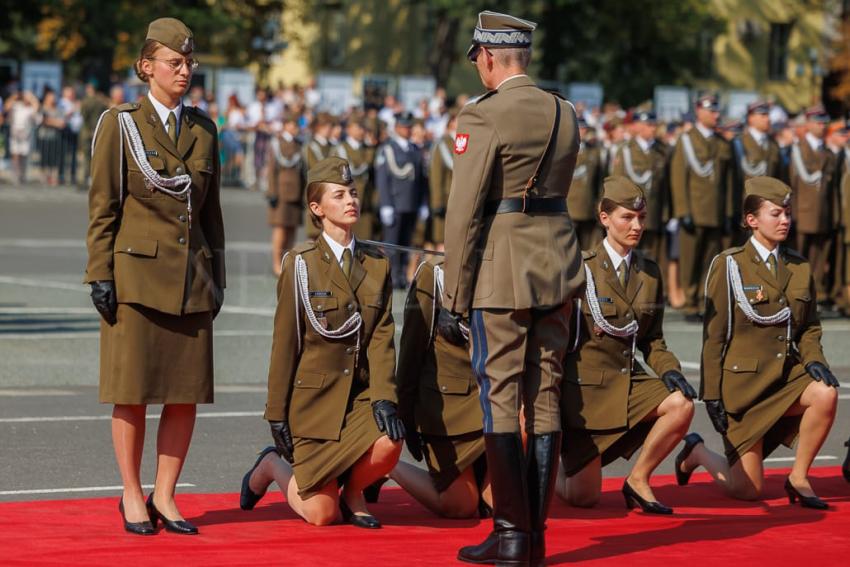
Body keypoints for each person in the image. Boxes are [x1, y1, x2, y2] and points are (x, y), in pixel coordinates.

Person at [442, 11, 584, 566]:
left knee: (499, 397)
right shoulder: (565, 112)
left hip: (502, 271)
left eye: (477, 58)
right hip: (558, 263)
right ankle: (537, 536)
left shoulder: (481, 117)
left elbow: (464, 216)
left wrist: (455, 293)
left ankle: (511, 536)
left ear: (492, 57)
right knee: (544, 398)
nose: (477, 66)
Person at [84, 17, 225, 536]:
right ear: (147, 67)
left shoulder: (203, 130)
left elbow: (212, 215)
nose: (184, 70)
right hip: (136, 279)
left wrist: (219, 278)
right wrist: (100, 274)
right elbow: (103, 208)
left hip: (192, 279)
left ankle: (165, 494)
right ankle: (130, 493)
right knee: (132, 392)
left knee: (185, 392)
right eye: (175, 62)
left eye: (189, 63)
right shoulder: (120, 124)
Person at [240, 157, 403, 528]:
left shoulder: (377, 264)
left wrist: (384, 397)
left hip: (358, 398)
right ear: (316, 208)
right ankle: (270, 465)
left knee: (391, 442)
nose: (351, 200)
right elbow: (285, 345)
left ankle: (354, 492)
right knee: (320, 514)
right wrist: (276, 413)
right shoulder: (301, 264)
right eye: (340, 194)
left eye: (354, 193)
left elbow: (381, 336)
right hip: (314, 404)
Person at [677, 176, 839, 508]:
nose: (784, 221)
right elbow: (714, 337)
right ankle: (697, 452)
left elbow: (808, 327)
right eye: (775, 213)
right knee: (746, 490)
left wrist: (814, 360)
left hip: (784, 380)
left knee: (825, 393)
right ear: (752, 220)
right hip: (744, 390)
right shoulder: (729, 265)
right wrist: (711, 396)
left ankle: (799, 477)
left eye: (788, 213)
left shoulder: (799, 265)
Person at [555, 177, 696, 514]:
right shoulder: (579, 268)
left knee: (681, 405)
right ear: (604, 218)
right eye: (626, 217)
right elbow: (555, 338)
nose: (636, 226)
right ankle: (543, 470)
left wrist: (670, 370)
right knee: (583, 497)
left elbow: (652, 339)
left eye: (642, 218)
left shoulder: (649, 272)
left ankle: (638, 479)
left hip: (627, 383)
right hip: (585, 394)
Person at [391, 257, 491, 518]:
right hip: (450, 410)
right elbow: (411, 351)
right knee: (461, 506)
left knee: (499, 506)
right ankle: (388, 467)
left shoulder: (510, 267)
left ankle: (489, 486)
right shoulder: (434, 274)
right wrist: (406, 417)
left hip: (493, 403)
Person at [670, 93, 733, 321]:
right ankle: (690, 304)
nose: (716, 115)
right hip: (694, 212)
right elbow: (678, 177)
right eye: (712, 110)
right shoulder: (686, 140)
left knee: (710, 261)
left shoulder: (721, 143)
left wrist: (727, 213)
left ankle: (704, 301)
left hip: (715, 212)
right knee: (690, 261)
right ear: (699, 111)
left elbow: (727, 183)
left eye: (717, 111)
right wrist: (682, 211)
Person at [788, 105, 838, 307]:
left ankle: (814, 297)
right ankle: (797, 296)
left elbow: (833, 189)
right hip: (803, 213)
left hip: (824, 214)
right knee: (799, 257)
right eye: (817, 121)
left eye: (824, 121)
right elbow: (791, 183)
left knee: (819, 258)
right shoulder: (798, 150)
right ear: (807, 124)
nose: (822, 125)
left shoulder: (828, 153)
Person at [375, 111, 429, 289]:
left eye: (409, 126)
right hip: (395, 204)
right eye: (404, 126)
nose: (407, 129)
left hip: (411, 204)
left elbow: (421, 179)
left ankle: (402, 276)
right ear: (397, 128)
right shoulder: (387, 149)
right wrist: (386, 205)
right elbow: (383, 179)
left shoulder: (414, 149)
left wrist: (422, 202)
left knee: (406, 244)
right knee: (392, 245)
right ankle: (391, 277)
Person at [612, 111, 670, 268]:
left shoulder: (662, 151)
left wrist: (667, 214)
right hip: (632, 216)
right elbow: (617, 185)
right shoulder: (625, 150)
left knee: (652, 259)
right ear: (637, 126)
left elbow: (666, 187)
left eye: (653, 125)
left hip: (654, 214)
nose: (652, 129)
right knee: (629, 258)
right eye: (648, 125)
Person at [266, 113, 304, 275]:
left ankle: (286, 262)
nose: (295, 129)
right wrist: (272, 192)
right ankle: (276, 264)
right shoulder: (277, 144)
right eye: (292, 125)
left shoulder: (300, 145)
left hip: (296, 192)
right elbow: (271, 170)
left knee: (292, 230)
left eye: (297, 125)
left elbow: (303, 171)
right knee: (280, 230)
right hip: (281, 192)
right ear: (286, 126)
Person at [333, 113, 377, 241]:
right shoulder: (341, 149)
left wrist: (370, 147)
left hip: (365, 203)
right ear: (348, 129)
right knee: (344, 241)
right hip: (347, 203)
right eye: (358, 127)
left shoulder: (367, 148)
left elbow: (370, 168)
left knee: (365, 242)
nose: (362, 130)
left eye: (363, 127)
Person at [568, 117, 604, 250]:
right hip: (569, 207)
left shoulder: (594, 151)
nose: (582, 131)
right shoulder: (565, 149)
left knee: (587, 248)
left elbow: (599, 181)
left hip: (588, 206)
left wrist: (599, 202)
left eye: (584, 128)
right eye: (579, 128)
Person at [428, 110, 457, 250]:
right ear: (450, 122)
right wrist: (437, 202)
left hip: (461, 200)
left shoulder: (469, 141)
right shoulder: (443, 143)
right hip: (446, 198)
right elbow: (436, 176)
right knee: (442, 241)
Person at [303, 112, 335, 238]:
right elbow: (315, 167)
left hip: (332, 194)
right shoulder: (311, 147)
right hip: (316, 192)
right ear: (318, 127)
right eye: (326, 126)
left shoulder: (332, 146)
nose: (329, 129)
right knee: (315, 235)